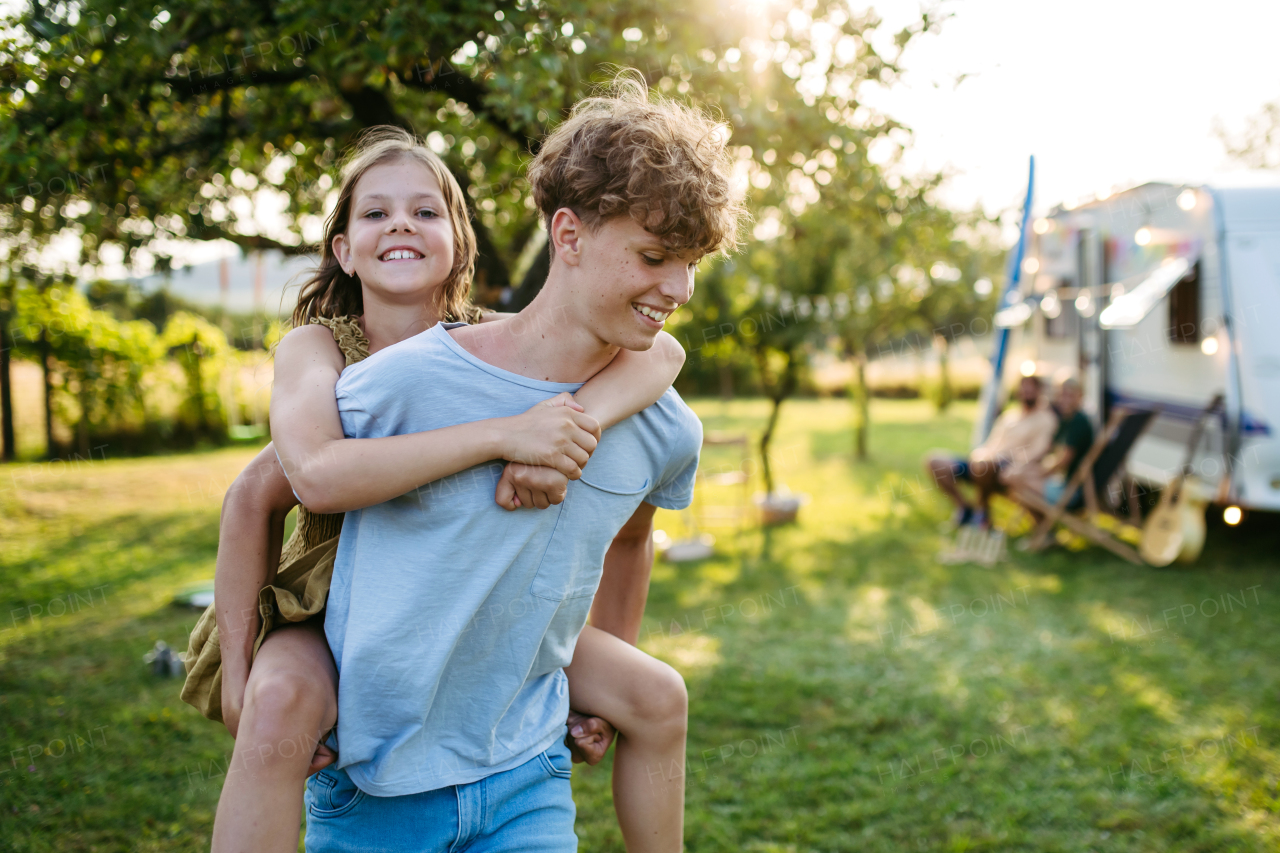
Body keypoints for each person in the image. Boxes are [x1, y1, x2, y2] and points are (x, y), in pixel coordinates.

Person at [178, 115, 713, 853]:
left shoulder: (493, 342)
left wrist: (573, 422)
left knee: (657, 693)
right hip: (327, 586)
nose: (402, 224)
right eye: (376, 212)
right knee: (280, 704)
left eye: (426, 210)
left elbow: (661, 357)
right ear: (343, 249)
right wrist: (505, 436)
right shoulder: (331, 358)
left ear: (460, 242)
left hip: (471, 603)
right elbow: (281, 486)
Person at [926, 374, 1058, 527]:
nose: (1027, 392)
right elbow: (991, 444)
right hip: (984, 462)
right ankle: (965, 508)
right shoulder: (1009, 416)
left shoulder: (1046, 419)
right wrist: (979, 456)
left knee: (985, 466)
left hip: (1007, 469)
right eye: (1024, 388)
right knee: (935, 462)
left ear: (1039, 391)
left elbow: (1039, 451)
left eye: (1031, 388)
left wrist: (1016, 464)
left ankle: (982, 514)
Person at [1036, 376, 1094, 506]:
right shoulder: (1066, 419)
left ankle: (1041, 523)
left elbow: (1064, 460)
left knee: (1016, 480)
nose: (1065, 399)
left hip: (1070, 493)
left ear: (1080, 396)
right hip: (1062, 483)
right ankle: (1042, 523)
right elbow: (1049, 448)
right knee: (1018, 476)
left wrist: (1038, 474)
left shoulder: (1079, 422)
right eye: (1062, 394)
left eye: (1071, 395)